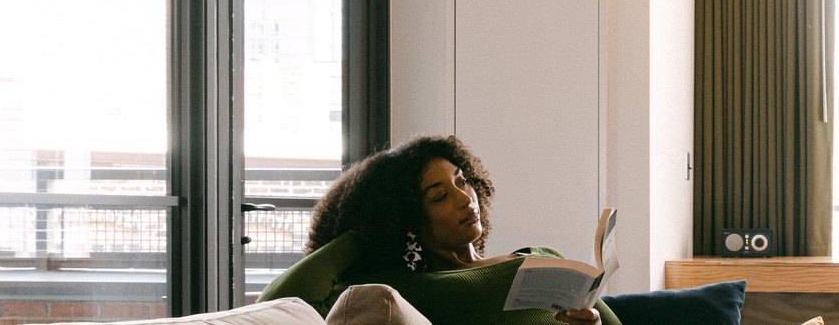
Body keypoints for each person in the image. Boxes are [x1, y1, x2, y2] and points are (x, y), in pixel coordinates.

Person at [260, 135, 609, 325]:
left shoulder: (543, 257)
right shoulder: (404, 289)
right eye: (440, 196)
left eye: (462, 181)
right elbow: (278, 301)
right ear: (406, 219)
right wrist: (367, 231)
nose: (464, 198)